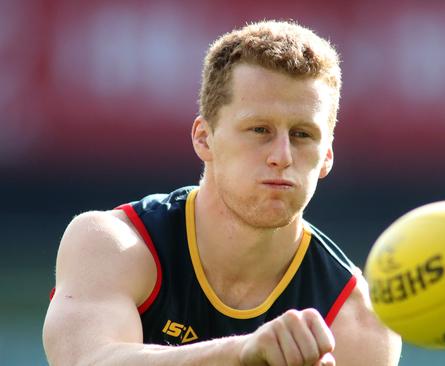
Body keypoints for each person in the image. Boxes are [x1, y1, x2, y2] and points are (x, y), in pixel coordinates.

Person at [43, 20, 402, 365]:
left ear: (327, 157)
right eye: (259, 129)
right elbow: (86, 360)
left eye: (302, 135)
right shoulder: (113, 244)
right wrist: (240, 355)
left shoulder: (355, 321)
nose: (282, 156)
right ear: (204, 137)